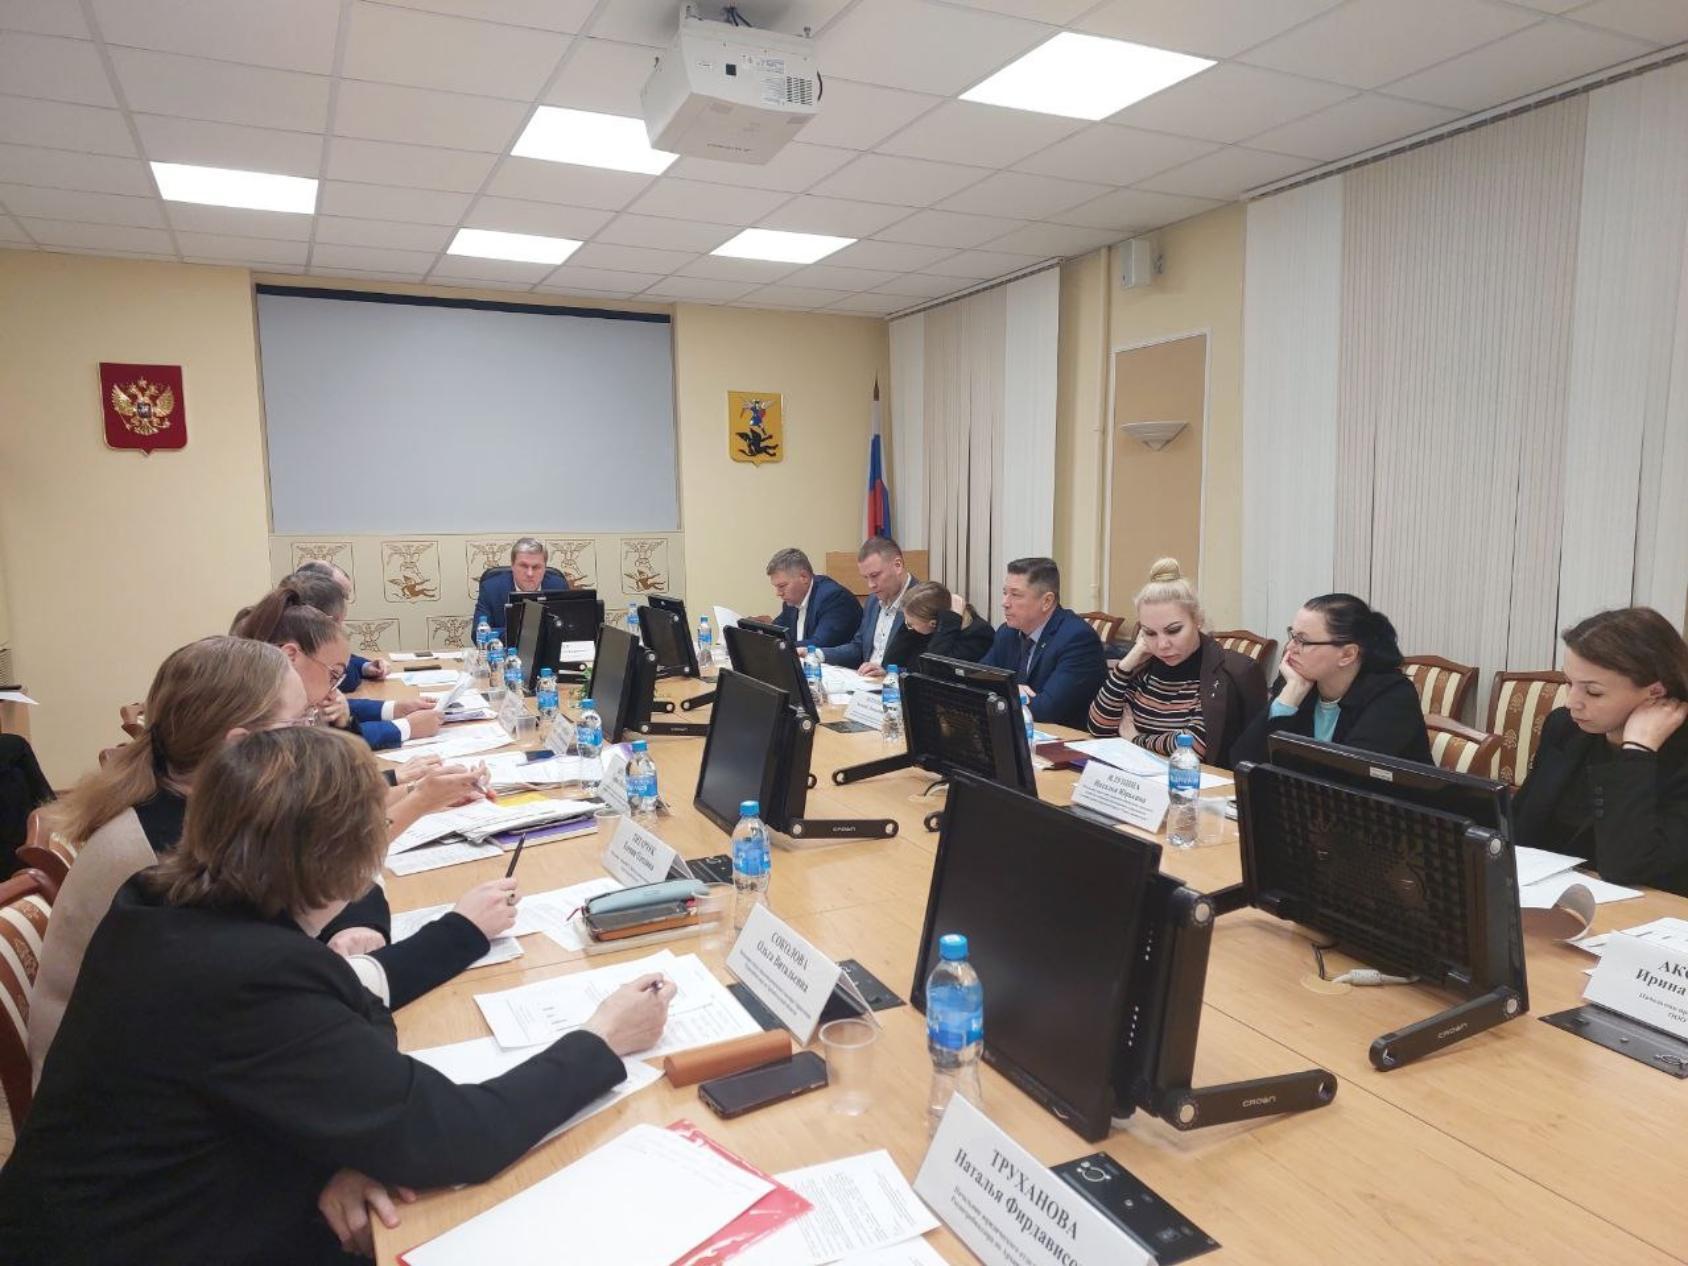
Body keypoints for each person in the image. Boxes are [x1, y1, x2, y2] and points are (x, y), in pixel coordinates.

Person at [0, 727, 674, 1264]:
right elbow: (461, 1135)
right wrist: (603, 1037)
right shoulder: (253, 977)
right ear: (351, 862)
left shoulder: (158, 902)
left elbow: (349, 1028)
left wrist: (356, 1144)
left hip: (149, 1203)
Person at [27, 636, 504, 1081]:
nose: (314, 737)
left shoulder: (195, 802)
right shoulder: (170, 850)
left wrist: (357, 921)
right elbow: (310, 999)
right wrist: (461, 932)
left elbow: (318, 874)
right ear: (241, 746)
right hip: (146, 1091)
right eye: (299, 724)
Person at [1513, 607, 1688, 894]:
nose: (1572, 702)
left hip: (1647, 911)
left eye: (1593, 692)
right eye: (1569, 683)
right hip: (1550, 900)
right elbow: (1519, 827)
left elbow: (1626, 866)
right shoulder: (1565, 728)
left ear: (1655, 692)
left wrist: (1638, 751)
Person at [1086, 559, 1267, 769]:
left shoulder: (1227, 671)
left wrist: (1136, 740)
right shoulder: (1143, 665)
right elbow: (1098, 727)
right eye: (1150, 633)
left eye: (1173, 631)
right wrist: (1127, 664)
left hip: (1194, 783)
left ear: (1197, 620)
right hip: (1138, 779)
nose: (1162, 645)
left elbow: (1193, 746)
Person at [234, 580, 441, 750]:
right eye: (333, 675)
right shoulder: (269, 721)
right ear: (290, 656)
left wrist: (344, 723)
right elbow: (321, 772)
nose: (334, 690)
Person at [1230, 593, 1431, 767]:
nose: (1290, 648)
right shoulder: (1297, 681)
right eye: (1292, 635)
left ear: (1347, 655)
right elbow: (1242, 761)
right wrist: (1288, 698)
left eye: (1303, 641)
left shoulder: (1393, 696)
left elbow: (1349, 776)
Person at [978, 557, 1107, 729]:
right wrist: (1012, 690)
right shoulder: (1007, 632)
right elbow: (978, 680)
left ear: (1046, 601)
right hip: (1021, 732)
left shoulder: (1077, 638)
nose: (1005, 603)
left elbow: (1047, 709)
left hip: (1067, 738)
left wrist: (1009, 692)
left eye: (1015, 595)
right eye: (1005, 593)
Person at [818, 536, 917, 670]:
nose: (871, 585)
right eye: (866, 578)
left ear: (897, 565)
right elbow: (859, 647)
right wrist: (818, 654)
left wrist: (890, 673)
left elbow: (925, 668)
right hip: (865, 680)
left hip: (894, 682)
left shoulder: (923, 601)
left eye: (875, 575)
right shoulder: (873, 601)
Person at [293, 560, 388, 688]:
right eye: (343, 596)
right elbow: (347, 679)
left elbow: (344, 660)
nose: (344, 603)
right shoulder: (299, 629)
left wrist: (365, 666)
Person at [880, 580, 993, 671]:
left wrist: (949, 624)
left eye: (911, 624)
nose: (908, 627)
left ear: (933, 624)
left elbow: (932, 671)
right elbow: (891, 663)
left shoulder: (977, 635)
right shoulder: (924, 630)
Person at [472, 536, 570, 641]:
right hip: (506, 650)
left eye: (536, 567)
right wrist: (521, 634)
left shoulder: (558, 586)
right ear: (512, 566)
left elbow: (569, 628)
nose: (530, 573)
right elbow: (478, 634)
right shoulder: (491, 589)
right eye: (523, 566)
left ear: (545, 568)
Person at [766, 546, 862, 649]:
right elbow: (775, 634)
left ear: (804, 577)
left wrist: (779, 647)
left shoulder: (833, 598)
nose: (778, 593)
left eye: (782, 586)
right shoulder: (791, 602)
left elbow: (820, 643)